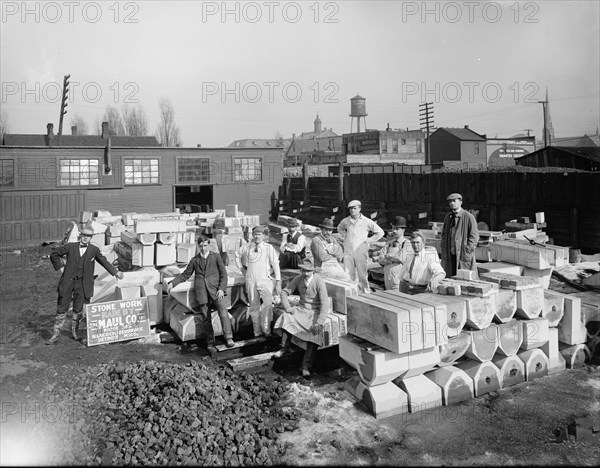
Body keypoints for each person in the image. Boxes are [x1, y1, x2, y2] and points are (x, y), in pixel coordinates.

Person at [48, 226, 124, 345]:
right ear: (80, 235)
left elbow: (104, 261)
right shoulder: (70, 247)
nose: (85, 238)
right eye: (83, 235)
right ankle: (56, 334)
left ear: (91, 238)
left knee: (78, 309)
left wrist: (115, 272)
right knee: (62, 307)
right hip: (68, 281)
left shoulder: (94, 250)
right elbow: (54, 254)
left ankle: (75, 333)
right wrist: (61, 268)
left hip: (83, 284)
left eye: (88, 236)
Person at [167, 234, 235, 348]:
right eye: (201, 246)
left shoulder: (216, 257)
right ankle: (210, 341)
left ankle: (228, 337)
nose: (203, 248)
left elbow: (224, 275)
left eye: (205, 245)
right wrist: (172, 283)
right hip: (202, 293)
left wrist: (221, 289)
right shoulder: (195, 260)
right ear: (198, 246)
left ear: (208, 245)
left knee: (223, 313)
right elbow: (185, 275)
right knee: (205, 318)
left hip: (216, 292)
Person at [272, 257, 330, 377]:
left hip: (314, 311)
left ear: (312, 271)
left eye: (307, 271)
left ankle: (305, 365)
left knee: (315, 332)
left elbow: (325, 304)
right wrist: (288, 307)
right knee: (286, 316)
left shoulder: (319, 282)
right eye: (302, 270)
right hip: (301, 309)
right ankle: (285, 347)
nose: (305, 273)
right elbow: (284, 292)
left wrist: (320, 321)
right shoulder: (298, 279)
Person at [240, 226, 282, 337]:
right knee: (254, 306)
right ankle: (257, 331)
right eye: (255, 234)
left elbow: (275, 264)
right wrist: (244, 272)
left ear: (263, 236)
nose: (256, 236)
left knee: (267, 305)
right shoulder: (247, 248)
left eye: (259, 234)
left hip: (265, 280)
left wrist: (278, 280)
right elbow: (237, 257)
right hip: (251, 280)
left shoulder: (269, 248)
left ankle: (266, 330)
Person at [337, 200, 384, 294]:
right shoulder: (346, 221)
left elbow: (380, 232)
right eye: (350, 209)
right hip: (348, 250)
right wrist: (345, 236)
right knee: (348, 273)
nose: (352, 211)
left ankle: (366, 293)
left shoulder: (366, 221)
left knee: (362, 274)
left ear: (359, 209)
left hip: (361, 250)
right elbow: (339, 228)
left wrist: (368, 241)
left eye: (354, 208)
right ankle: (350, 293)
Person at [440, 193, 479, 278]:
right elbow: (443, 234)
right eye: (450, 201)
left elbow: (474, 236)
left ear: (460, 202)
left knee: (464, 277)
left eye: (454, 201)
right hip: (450, 253)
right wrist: (443, 247)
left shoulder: (468, 217)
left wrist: (468, 250)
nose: (452, 203)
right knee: (450, 276)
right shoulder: (448, 217)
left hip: (463, 254)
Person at [372, 216, 409, 290]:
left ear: (403, 230)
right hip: (387, 279)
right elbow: (380, 259)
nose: (394, 231)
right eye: (393, 228)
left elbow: (400, 258)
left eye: (397, 229)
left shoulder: (407, 244)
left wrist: (387, 256)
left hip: (399, 281)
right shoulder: (389, 243)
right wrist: (391, 258)